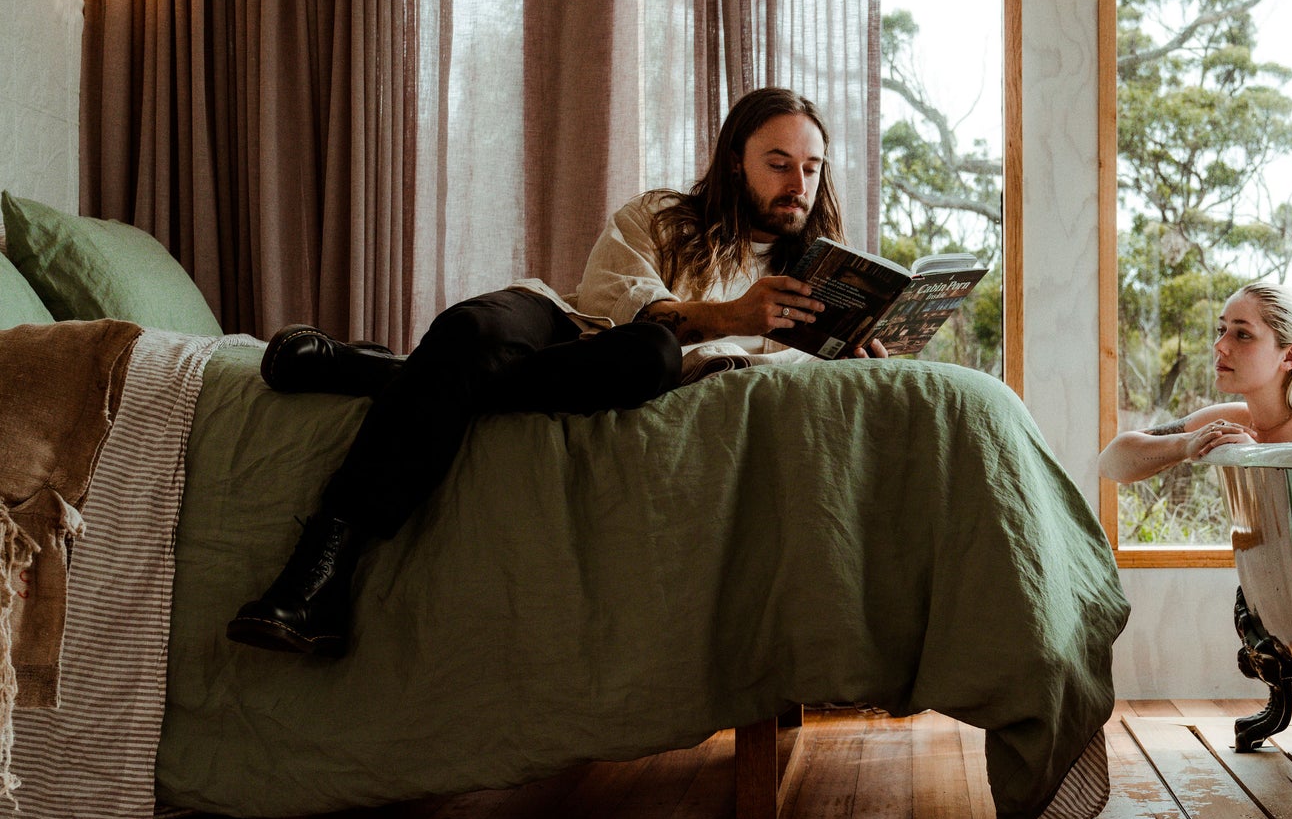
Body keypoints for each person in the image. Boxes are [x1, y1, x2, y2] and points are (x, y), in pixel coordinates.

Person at [228, 87, 884, 657]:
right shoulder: (659, 217)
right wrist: (728, 314)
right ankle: (316, 573)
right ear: (735, 160)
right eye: (778, 163)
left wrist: (850, 356)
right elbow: (617, 304)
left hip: (623, 369)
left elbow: (759, 389)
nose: (797, 184)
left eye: (811, 167)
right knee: (476, 329)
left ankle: (380, 372)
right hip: (558, 322)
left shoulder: (815, 286)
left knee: (650, 355)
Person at [1097, 280, 1292, 483]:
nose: (1219, 345)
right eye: (1221, 330)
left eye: (1243, 335)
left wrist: (1258, 458)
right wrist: (1187, 444)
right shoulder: (1234, 419)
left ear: (1290, 356)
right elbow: (1111, 462)